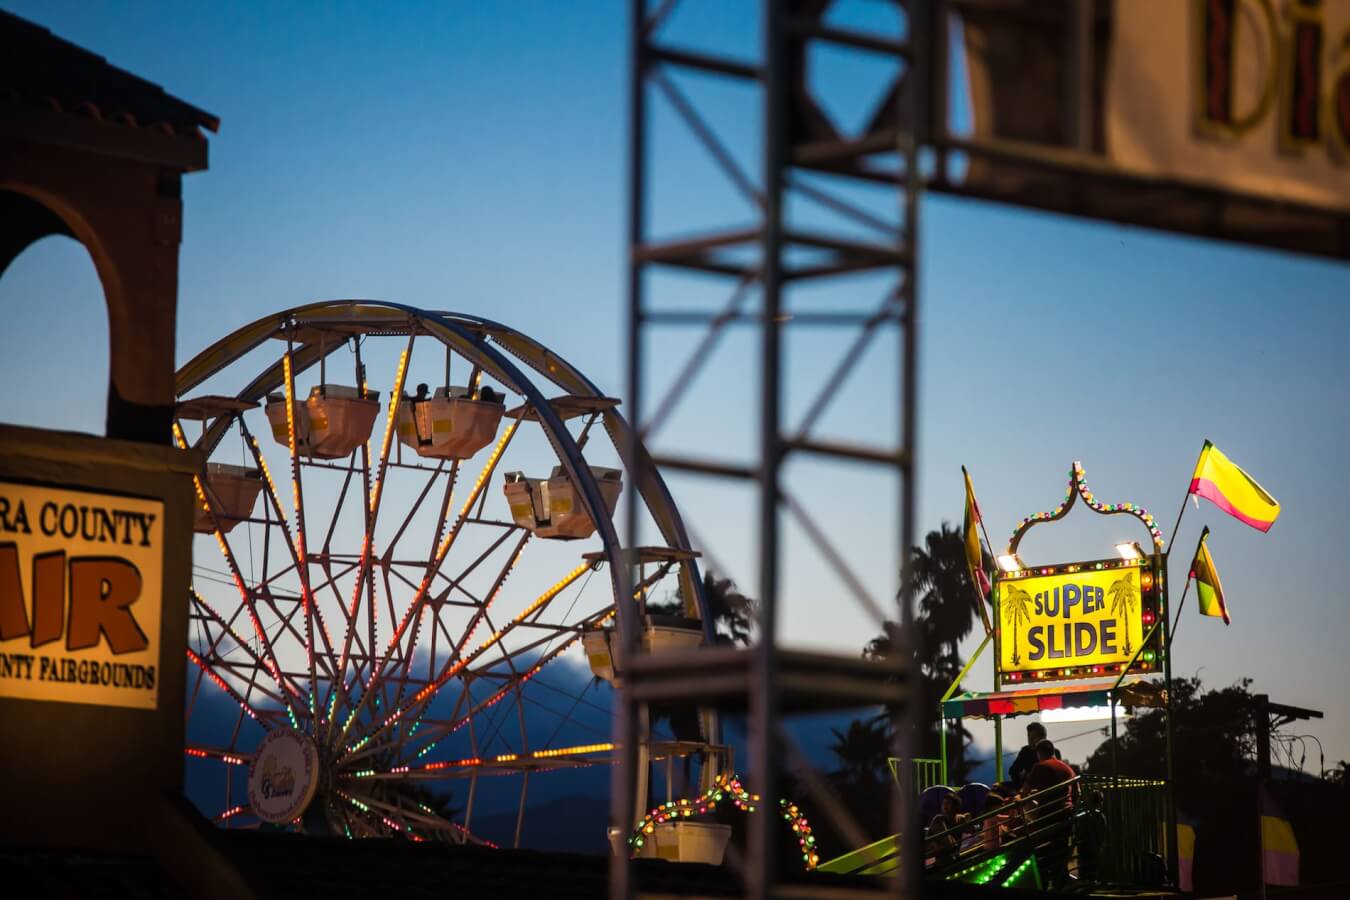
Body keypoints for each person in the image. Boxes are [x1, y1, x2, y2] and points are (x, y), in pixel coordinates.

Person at [926, 793, 969, 859]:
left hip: (953, 854)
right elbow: (929, 837)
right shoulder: (939, 819)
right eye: (943, 803)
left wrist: (967, 818)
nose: (944, 805)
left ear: (955, 806)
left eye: (948, 803)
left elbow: (972, 831)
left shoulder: (960, 819)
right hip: (942, 854)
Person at [1009, 721, 1051, 787]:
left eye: (1033, 738)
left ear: (1043, 738)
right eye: (1028, 736)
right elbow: (1013, 771)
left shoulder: (1053, 752)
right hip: (1029, 789)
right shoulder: (1026, 752)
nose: (1030, 740)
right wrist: (1019, 787)